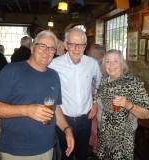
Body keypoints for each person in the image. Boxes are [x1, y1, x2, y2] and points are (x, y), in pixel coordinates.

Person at [0, 30, 74, 160]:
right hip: (16, 151)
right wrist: (27, 110)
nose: (46, 51)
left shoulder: (54, 76)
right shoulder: (11, 71)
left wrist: (67, 129)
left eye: (51, 49)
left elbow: (56, 108)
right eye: (42, 46)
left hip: (47, 147)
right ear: (32, 48)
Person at [48, 28, 102, 160]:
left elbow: (101, 84)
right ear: (66, 45)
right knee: (66, 155)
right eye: (73, 44)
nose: (77, 48)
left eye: (81, 44)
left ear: (85, 46)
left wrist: (95, 102)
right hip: (64, 120)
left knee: (82, 154)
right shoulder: (54, 65)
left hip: (86, 120)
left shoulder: (92, 64)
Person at [95, 49, 149, 160]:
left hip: (122, 139)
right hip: (103, 134)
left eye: (115, 60)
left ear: (122, 64)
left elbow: (147, 113)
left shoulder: (132, 82)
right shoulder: (104, 80)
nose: (111, 64)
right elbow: (99, 99)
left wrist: (128, 105)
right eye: (107, 61)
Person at [87, 44, 105, 159]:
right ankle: (96, 150)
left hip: (98, 101)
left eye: (90, 53)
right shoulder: (96, 64)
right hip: (97, 100)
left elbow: (96, 85)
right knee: (95, 128)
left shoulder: (99, 66)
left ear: (97, 55)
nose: (88, 55)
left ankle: (96, 151)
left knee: (96, 128)